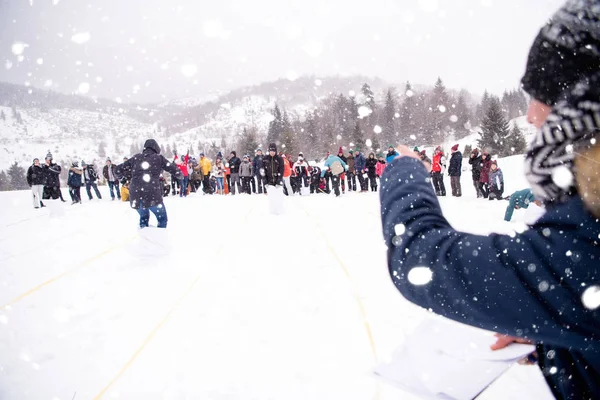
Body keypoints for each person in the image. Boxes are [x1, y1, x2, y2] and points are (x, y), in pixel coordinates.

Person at [380, 1, 600, 397]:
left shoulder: (587, 245)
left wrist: (404, 169)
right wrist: (555, 339)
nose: (531, 116)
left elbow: (420, 258)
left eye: (543, 96)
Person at [116, 139, 183, 228]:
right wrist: (180, 175)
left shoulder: (136, 158)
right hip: (152, 194)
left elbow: (117, 170)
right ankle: (160, 238)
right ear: (156, 148)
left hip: (135, 195)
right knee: (162, 218)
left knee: (144, 217)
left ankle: (144, 237)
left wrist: (123, 178)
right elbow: (173, 169)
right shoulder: (159, 158)